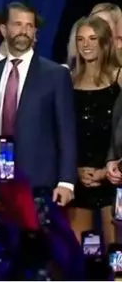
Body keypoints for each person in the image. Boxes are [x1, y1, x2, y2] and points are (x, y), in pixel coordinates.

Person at [0, 2, 77, 205]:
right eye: (18, 24)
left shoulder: (55, 74)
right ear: (4, 29)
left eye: (29, 26)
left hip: (40, 183)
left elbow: (66, 131)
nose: (24, 31)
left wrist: (66, 181)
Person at [67, 16, 120, 245]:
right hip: (80, 179)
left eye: (92, 38)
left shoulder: (119, 77)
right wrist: (75, 170)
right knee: (80, 253)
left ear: (104, 42)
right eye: (80, 39)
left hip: (114, 178)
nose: (86, 45)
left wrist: (106, 171)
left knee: (115, 253)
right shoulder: (68, 81)